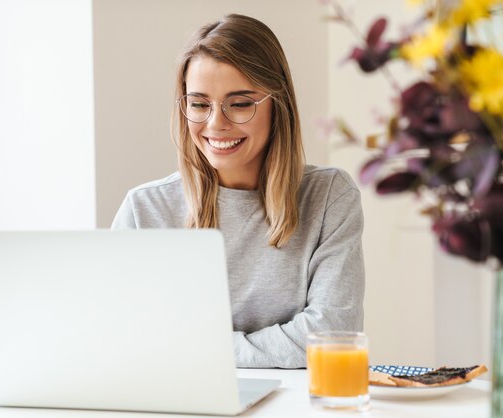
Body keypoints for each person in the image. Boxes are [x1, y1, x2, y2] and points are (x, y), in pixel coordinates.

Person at [111, 13, 364, 368]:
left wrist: (198, 350)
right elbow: (123, 338)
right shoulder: (144, 209)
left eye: (241, 103)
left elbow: (334, 335)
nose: (216, 124)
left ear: (278, 105)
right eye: (199, 104)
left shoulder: (328, 197)